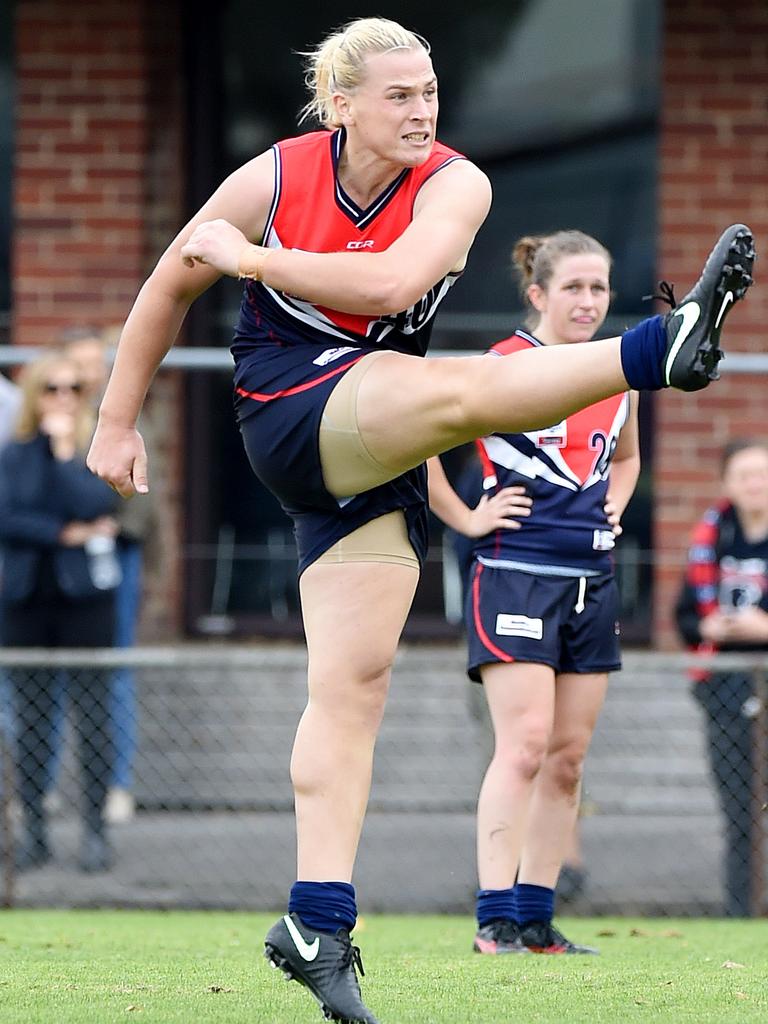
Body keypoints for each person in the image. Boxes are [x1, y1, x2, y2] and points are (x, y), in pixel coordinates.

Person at [84, 16, 753, 1023]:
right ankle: (660, 347)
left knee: (354, 685)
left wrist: (257, 263)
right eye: (398, 95)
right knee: (452, 391)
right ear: (340, 102)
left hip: (375, 433)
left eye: (430, 91)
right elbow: (168, 283)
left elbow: (396, 281)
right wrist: (115, 419)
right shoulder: (271, 178)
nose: (422, 109)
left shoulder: (457, 182)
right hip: (293, 407)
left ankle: (315, 920)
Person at [427, 230, 640, 955]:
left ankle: (537, 920)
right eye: (574, 287)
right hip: (514, 569)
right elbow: (418, 441)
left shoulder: (616, 373)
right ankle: (493, 920)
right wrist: (465, 516)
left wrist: (618, 500)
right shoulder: (499, 367)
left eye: (599, 288)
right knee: (520, 747)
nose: (588, 301)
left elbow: (628, 456)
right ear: (538, 294)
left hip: (592, 578)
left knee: (568, 756)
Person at [0, 353, 120, 873]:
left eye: (74, 388)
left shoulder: (94, 451)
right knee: (32, 721)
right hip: (26, 598)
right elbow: (8, 516)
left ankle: (94, 830)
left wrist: (68, 453)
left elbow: (99, 502)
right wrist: (62, 532)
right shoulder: (16, 453)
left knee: (92, 715)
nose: (64, 398)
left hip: (85, 599)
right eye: (52, 388)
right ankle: (34, 830)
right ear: (36, 395)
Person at [61, 326, 159, 824]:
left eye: (95, 363)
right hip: (57, 558)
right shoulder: (52, 420)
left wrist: (104, 528)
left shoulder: (128, 414)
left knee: (113, 670)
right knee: (47, 673)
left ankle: (117, 785)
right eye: (77, 365)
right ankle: (48, 788)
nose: (87, 375)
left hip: (115, 554)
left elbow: (145, 494)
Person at [675, 439, 768, 917]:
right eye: (745, 475)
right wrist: (709, 626)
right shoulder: (712, 536)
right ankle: (742, 910)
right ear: (728, 482)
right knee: (739, 812)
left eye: (762, 473)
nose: (755, 484)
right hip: (726, 686)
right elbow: (684, 616)